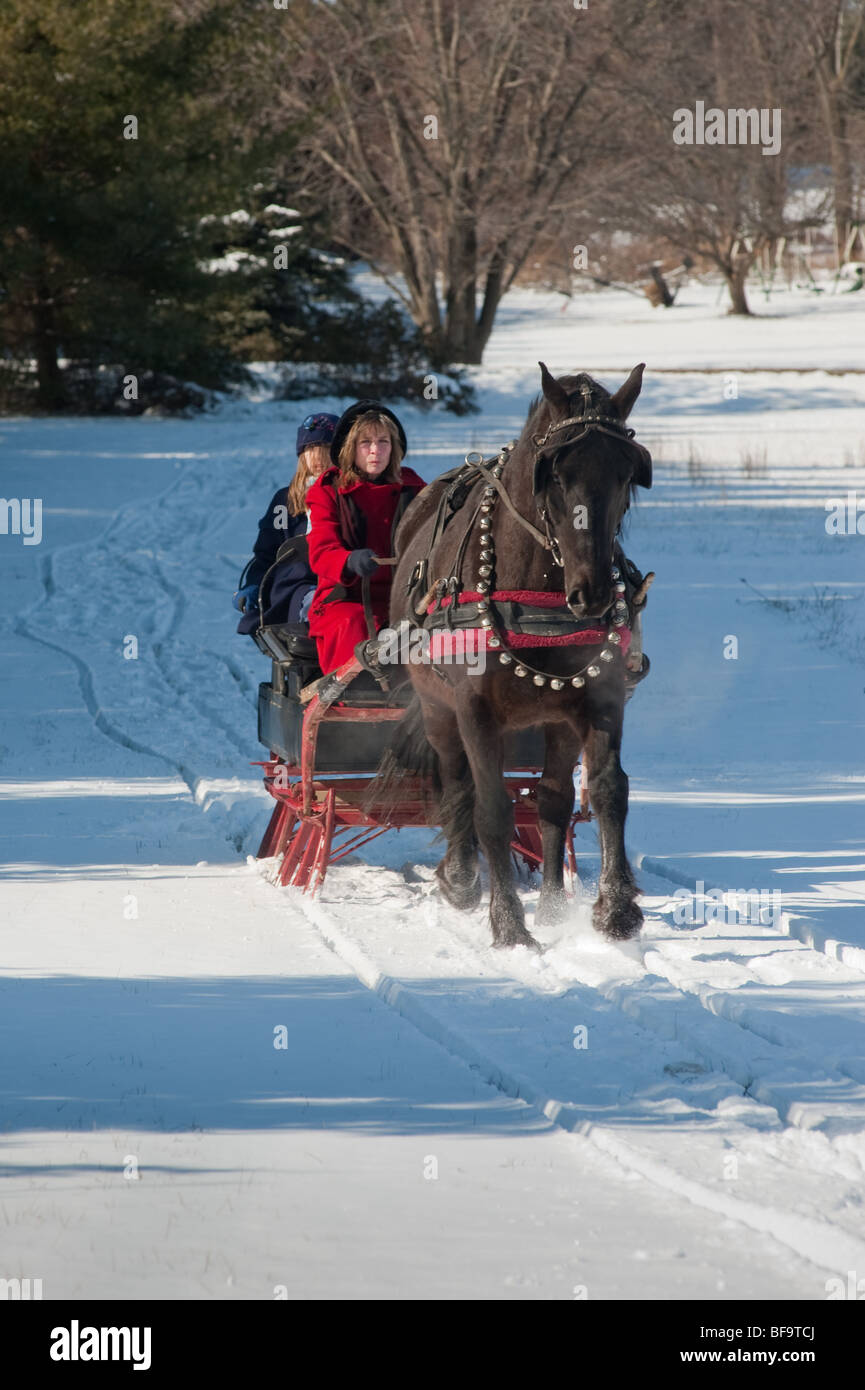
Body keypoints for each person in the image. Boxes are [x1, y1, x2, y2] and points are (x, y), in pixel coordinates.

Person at [306, 401, 425, 675]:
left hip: (404, 597)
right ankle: (352, 702)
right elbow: (321, 552)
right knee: (354, 623)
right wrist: (348, 560)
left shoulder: (415, 489)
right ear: (351, 448)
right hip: (345, 597)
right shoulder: (327, 491)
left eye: (383, 441)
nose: (376, 450)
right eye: (366, 442)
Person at [233, 412, 339, 639]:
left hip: (341, 581)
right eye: (310, 449)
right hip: (297, 585)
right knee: (316, 603)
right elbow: (266, 553)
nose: (317, 457)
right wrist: (253, 584)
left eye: (325, 449)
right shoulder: (285, 502)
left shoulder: (348, 496)